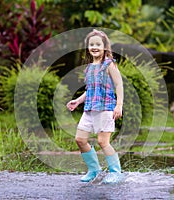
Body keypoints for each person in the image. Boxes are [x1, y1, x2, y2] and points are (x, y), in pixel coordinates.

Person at [66, 29, 124, 184]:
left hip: (105, 108)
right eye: (91, 44)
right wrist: (78, 101)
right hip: (90, 109)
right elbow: (90, 90)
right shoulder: (89, 67)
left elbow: (119, 85)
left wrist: (119, 105)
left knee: (103, 142)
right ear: (88, 47)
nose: (94, 47)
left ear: (105, 46)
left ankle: (115, 172)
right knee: (80, 139)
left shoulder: (109, 64)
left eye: (98, 44)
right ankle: (94, 170)